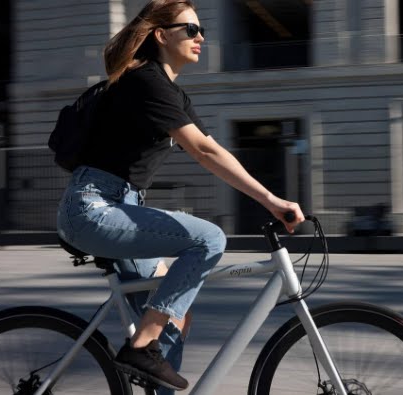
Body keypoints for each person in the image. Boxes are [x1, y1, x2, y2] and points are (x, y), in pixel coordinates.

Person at [56, 0, 305, 392]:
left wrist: (270, 198)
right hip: (95, 208)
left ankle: (148, 352)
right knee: (209, 238)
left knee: (175, 318)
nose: (200, 36)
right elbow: (203, 154)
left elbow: (213, 148)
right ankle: (141, 346)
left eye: (201, 29)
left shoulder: (169, 91)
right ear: (161, 35)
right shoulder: (145, 80)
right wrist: (273, 202)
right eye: (190, 29)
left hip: (120, 205)